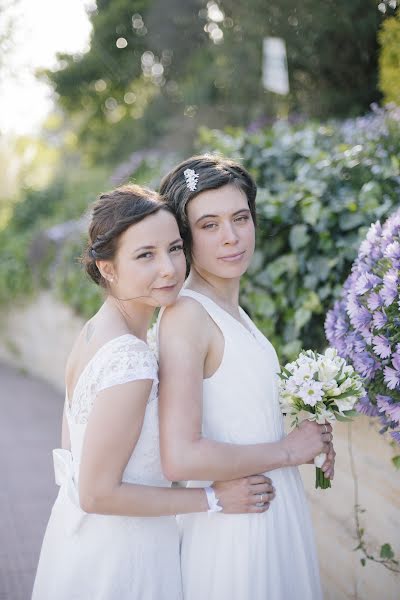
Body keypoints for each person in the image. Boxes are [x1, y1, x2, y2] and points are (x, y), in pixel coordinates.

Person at [31, 184, 276, 600]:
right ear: (107, 267)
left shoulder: (95, 333)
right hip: (123, 558)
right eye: (145, 255)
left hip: (81, 543)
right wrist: (213, 498)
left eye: (175, 248)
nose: (169, 268)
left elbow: (77, 461)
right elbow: (96, 492)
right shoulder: (131, 360)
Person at [158, 156, 336, 600]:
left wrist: (308, 436)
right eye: (209, 225)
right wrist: (288, 449)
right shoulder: (186, 317)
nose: (232, 237)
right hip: (234, 532)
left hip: (271, 510)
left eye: (240, 218)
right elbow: (179, 456)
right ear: (184, 237)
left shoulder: (234, 312)